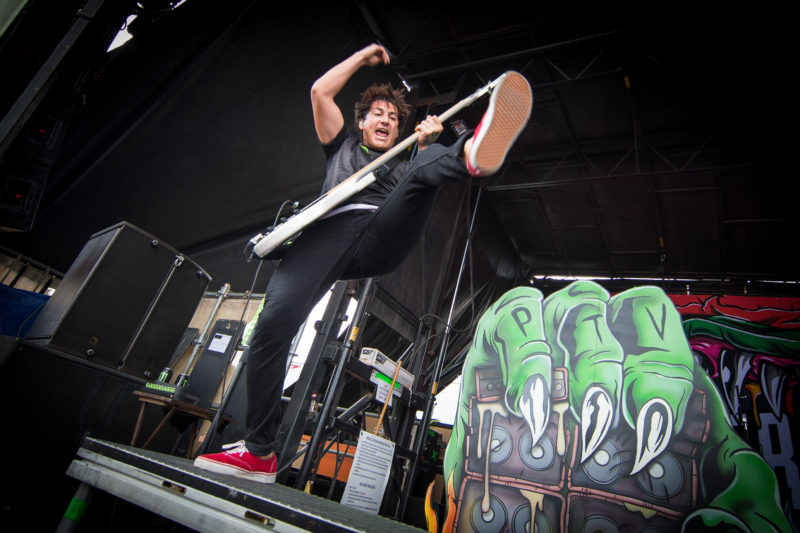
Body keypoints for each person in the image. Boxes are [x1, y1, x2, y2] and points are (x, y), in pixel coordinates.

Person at [193, 44, 532, 483]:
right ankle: (259, 453)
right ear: (361, 122)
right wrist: (363, 57)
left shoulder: (405, 160)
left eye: (394, 117)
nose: (387, 121)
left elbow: (413, 174)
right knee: (270, 328)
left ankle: (468, 154)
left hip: (381, 237)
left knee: (423, 167)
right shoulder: (340, 148)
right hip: (325, 236)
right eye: (378, 114)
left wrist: (426, 144)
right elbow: (319, 92)